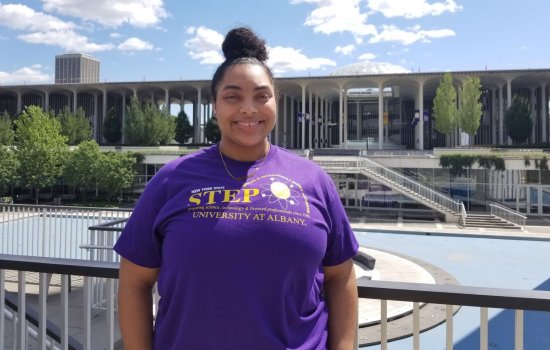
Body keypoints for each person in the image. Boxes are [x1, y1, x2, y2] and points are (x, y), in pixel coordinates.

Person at [114, 26, 359, 350]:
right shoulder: (172, 180)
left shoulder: (314, 180)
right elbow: (134, 282)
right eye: (233, 96)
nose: (248, 108)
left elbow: (340, 276)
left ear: (276, 102)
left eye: (261, 96)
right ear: (215, 105)